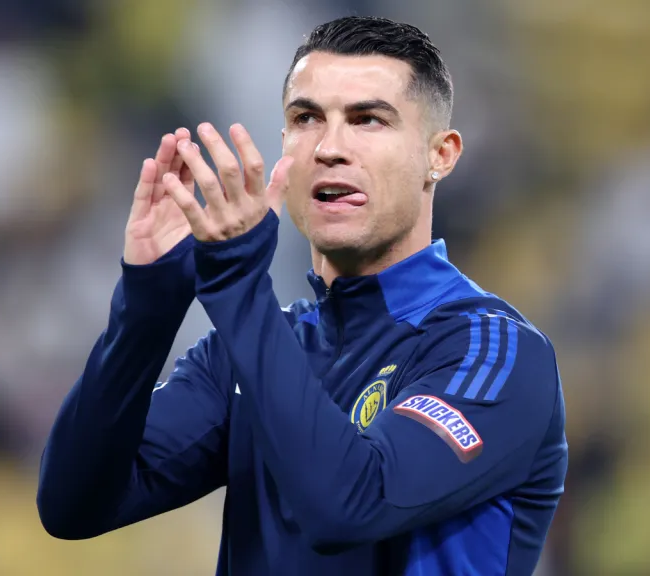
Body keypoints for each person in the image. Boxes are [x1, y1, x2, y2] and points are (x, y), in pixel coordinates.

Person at [37, 15, 567, 575]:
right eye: (306, 118)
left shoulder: (493, 351)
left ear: (440, 155)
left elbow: (350, 505)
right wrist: (147, 308)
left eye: (368, 120)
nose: (330, 147)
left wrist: (237, 284)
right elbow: (74, 504)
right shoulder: (250, 350)